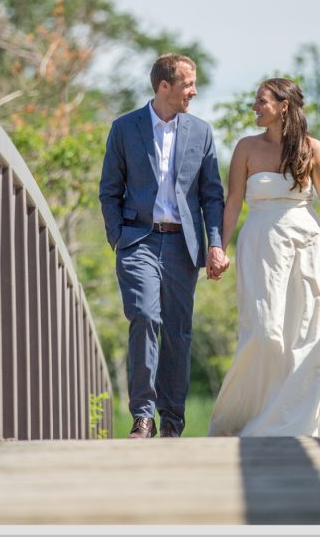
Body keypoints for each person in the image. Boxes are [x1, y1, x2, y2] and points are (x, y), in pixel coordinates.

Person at [207, 77, 320, 437]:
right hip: (260, 245)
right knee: (265, 332)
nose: (254, 106)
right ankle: (248, 416)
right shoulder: (245, 149)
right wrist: (219, 248)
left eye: (261, 101)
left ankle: (297, 423)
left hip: (306, 243)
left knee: (308, 333)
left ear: (283, 106)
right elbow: (233, 202)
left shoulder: (313, 149)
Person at [99, 54, 229, 439]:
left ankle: (172, 420)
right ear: (164, 87)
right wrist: (117, 236)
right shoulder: (125, 128)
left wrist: (216, 244)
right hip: (137, 239)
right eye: (188, 84)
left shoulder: (201, 132)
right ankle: (143, 416)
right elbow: (109, 189)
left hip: (182, 246)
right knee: (144, 315)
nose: (194, 91)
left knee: (177, 332)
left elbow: (212, 195)